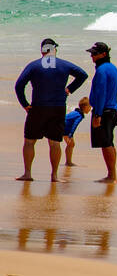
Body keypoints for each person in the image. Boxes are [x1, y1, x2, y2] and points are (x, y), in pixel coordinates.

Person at [14, 38, 88, 181]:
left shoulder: (34, 66)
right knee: (54, 143)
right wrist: (69, 89)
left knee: (29, 141)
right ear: (54, 50)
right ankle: (54, 176)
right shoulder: (64, 65)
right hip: (58, 108)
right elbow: (83, 75)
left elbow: (19, 85)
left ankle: (27, 174)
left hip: (37, 107)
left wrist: (25, 104)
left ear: (42, 50)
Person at [85, 41, 117, 182]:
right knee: (108, 142)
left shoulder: (102, 70)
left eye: (94, 54)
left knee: (106, 143)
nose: (92, 56)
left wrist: (98, 114)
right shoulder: (112, 68)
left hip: (104, 110)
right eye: (91, 54)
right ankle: (112, 174)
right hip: (111, 109)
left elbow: (101, 93)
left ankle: (112, 175)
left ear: (103, 54)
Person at [62, 97, 92, 167]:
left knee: (71, 144)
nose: (90, 109)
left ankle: (68, 161)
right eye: (90, 107)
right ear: (85, 107)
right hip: (65, 129)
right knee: (71, 144)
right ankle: (68, 162)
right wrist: (70, 135)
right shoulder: (79, 115)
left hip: (62, 126)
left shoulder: (76, 112)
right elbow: (75, 125)